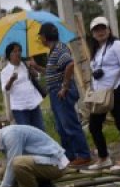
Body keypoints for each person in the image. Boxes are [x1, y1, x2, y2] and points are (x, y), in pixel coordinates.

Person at [28, 23, 92, 167]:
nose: (40, 39)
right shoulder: (53, 51)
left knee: (69, 124)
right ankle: (69, 155)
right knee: (61, 127)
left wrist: (64, 86)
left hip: (61, 92)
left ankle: (83, 154)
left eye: (40, 36)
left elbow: (69, 65)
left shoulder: (59, 48)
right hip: (56, 92)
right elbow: (52, 73)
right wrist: (37, 66)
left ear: (45, 36)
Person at [87, 17, 120, 171]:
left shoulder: (118, 45)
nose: (100, 32)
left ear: (109, 29)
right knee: (94, 125)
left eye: (103, 28)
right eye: (96, 29)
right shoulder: (96, 50)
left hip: (117, 89)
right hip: (100, 93)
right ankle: (103, 157)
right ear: (93, 33)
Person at [0, 42, 45, 131]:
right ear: (10, 55)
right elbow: (5, 90)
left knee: (40, 131)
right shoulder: (5, 71)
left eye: (19, 51)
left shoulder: (25, 65)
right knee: (27, 133)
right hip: (19, 107)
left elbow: (37, 77)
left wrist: (33, 71)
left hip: (33, 103)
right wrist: (11, 80)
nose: (18, 53)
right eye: (15, 51)